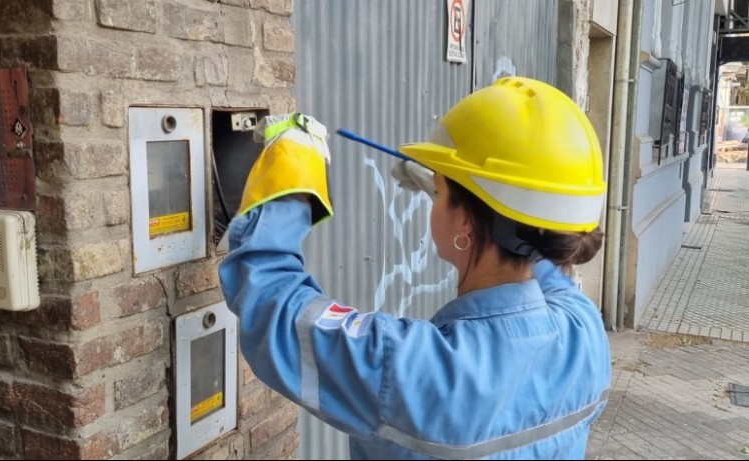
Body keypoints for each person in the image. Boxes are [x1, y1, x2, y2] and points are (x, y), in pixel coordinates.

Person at [219, 77, 612, 460]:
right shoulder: (584, 331)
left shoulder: (407, 366)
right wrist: (452, 189)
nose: (432, 202)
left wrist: (292, 166)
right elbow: (536, 248)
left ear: (465, 224)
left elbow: (272, 299)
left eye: (439, 195)